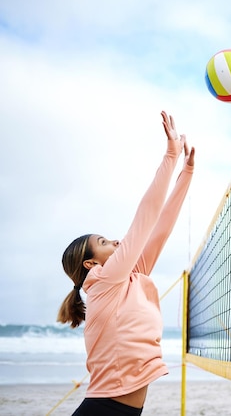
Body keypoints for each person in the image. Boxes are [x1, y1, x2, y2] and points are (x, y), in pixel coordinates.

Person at [56, 111, 195, 416]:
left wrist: (185, 175)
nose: (117, 241)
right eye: (104, 242)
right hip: (103, 409)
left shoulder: (130, 278)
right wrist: (170, 156)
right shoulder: (106, 281)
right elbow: (144, 219)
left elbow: (159, 229)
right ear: (92, 264)